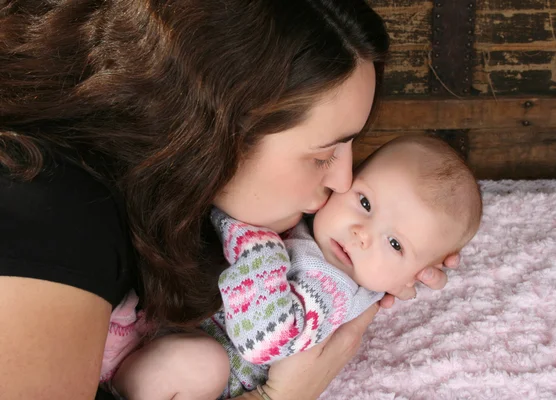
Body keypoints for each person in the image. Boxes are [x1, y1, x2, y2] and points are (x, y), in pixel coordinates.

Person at [0, 1, 459, 399]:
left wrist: (399, 247)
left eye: (353, 145)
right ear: (213, 135)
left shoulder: (175, 195)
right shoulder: (51, 216)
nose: (344, 181)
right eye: (323, 155)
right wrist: (276, 397)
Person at [109, 135, 482, 400]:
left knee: (200, 364)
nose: (362, 234)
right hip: (161, 329)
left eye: (396, 244)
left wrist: (259, 244)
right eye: (365, 203)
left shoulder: (332, 287)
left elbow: (265, 337)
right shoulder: (314, 228)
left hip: (193, 373)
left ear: (413, 276)